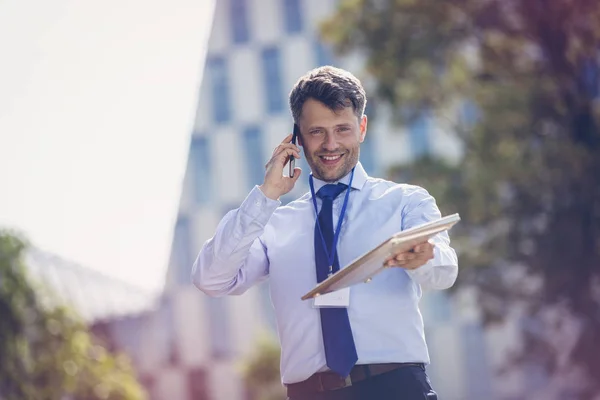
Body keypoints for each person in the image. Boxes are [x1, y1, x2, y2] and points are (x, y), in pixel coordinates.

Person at [192, 66, 458, 400]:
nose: (331, 144)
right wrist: (266, 195)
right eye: (316, 132)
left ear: (361, 128)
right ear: (296, 138)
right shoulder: (272, 222)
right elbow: (211, 279)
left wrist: (424, 256)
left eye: (342, 129)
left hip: (396, 387)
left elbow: (444, 273)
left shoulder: (404, 202)